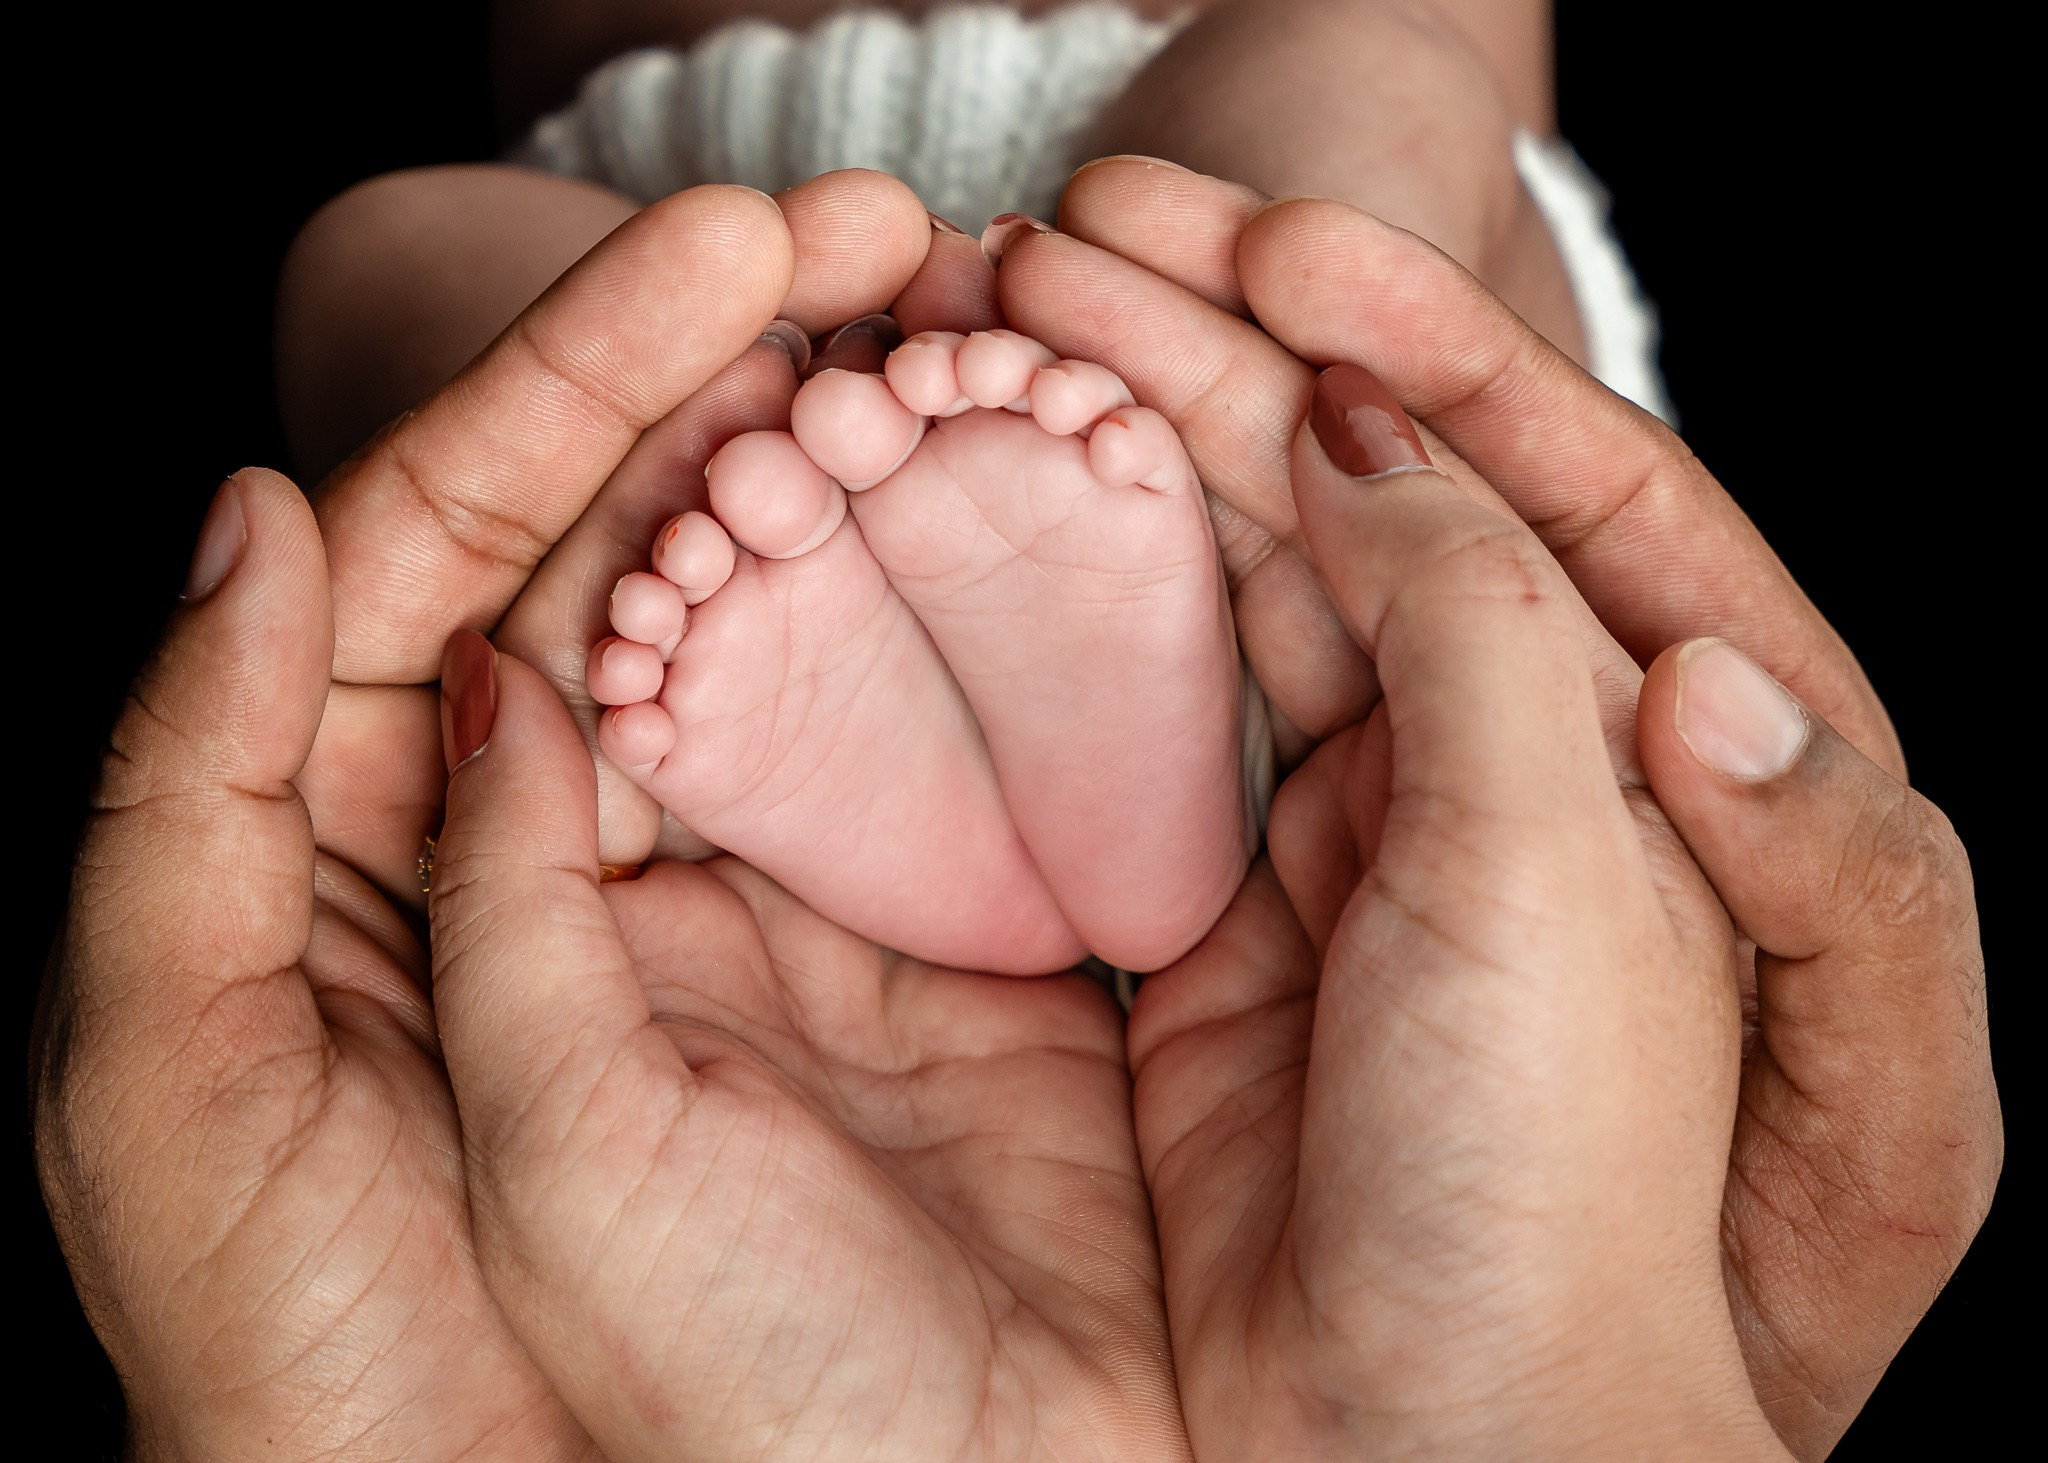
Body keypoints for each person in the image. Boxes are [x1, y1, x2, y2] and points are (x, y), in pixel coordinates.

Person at [34, 161, 1997, 1458]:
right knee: (1353, 131)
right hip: (1298, 595)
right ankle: (1136, 765)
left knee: (386, 267)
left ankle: (1012, 766)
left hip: (787, 241)